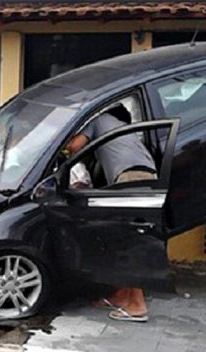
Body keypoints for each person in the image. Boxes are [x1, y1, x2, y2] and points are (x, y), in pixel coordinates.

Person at [66, 99, 157, 323]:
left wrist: (59, 143)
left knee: (129, 243)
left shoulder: (97, 120)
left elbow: (75, 146)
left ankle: (137, 305)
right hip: (143, 176)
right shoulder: (120, 129)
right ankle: (121, 296)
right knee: (121, 240)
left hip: (132, 178)